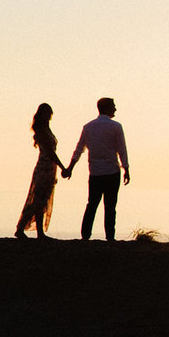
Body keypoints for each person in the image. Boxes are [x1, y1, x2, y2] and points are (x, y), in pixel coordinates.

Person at [66, 96, 130, 241]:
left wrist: (70, 167)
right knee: (110, 206)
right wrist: (126, 168)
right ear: (107, 108)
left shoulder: (88, 127)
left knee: (92, 204)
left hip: (95, 172)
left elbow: (79, 149)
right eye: (113, 106)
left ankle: (85, 235)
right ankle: (110, 236)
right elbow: (122, 149)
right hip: (112, 171)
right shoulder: (116, 126)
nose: (115, 109)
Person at [15, 103, 68, 238]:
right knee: (39, 199)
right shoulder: (42, 132)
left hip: (49, 168)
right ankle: (22, 228)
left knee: (42, 199)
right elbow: (50, 152)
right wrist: (63, 167)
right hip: (45, 167)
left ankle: (38, 231)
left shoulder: (45, 130)